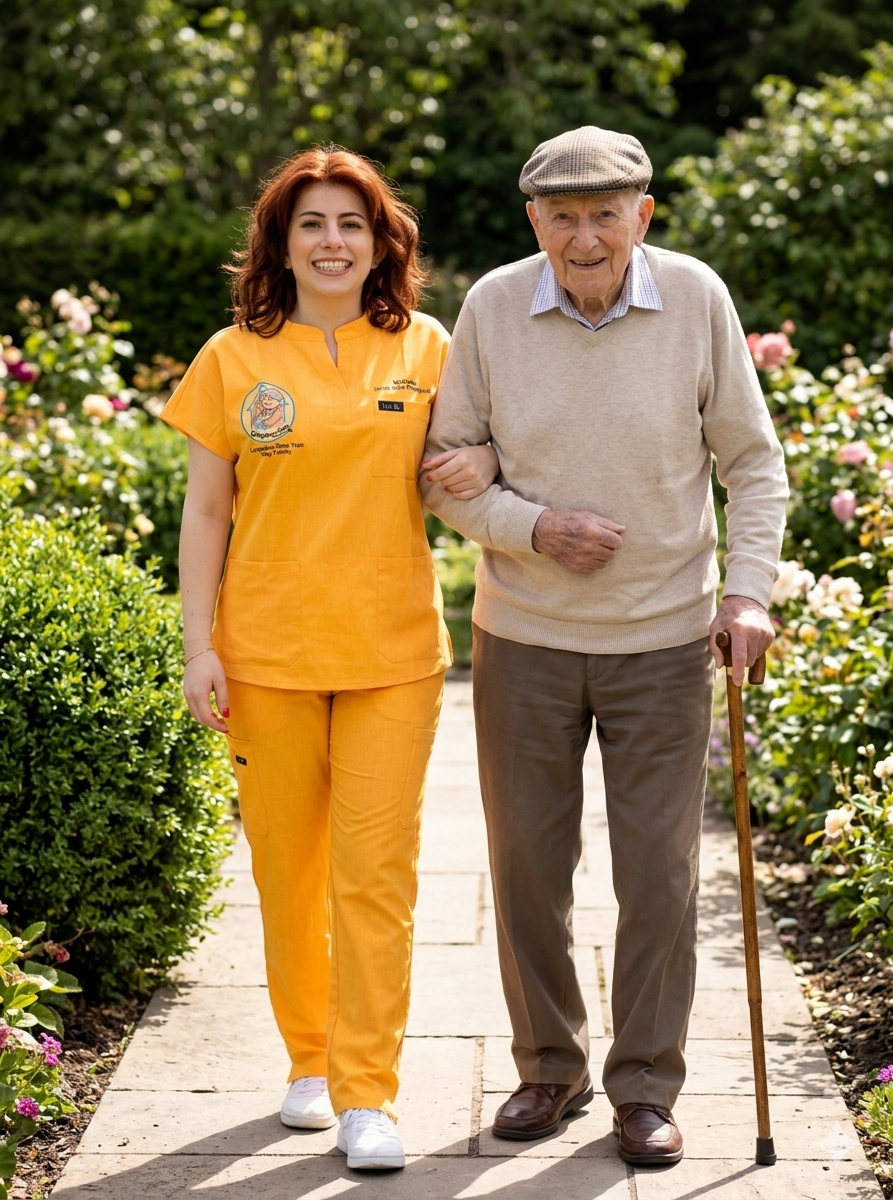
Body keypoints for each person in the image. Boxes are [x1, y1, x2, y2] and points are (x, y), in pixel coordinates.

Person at [420, 125, 788, 1166]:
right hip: (524, 634)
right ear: (531, 220)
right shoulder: (491, 306)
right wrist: (532, 527)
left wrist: (748, 592)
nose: (584, 237)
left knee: (659, 874)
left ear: (643, 215)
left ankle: (642, 1085)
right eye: (561, 216)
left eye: (604, 214)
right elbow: (445, 465)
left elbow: (751, 467)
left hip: (666, 636)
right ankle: (548, 1066)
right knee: (526, 863)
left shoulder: (695, 301)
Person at [162, 146, 497, 1172]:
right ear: (281, 240)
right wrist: (198, 648)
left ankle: (367, 1096)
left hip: (392, 652)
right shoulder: (231, 359)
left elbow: (479, 457)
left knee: (376, 878)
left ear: (379, 240)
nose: (332, 241)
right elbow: (206, 511)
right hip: (263, 654)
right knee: (288, 873)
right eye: (311, 222)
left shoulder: (428, 348)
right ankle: (307, 1063)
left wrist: (480, 458)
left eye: (351, 223)